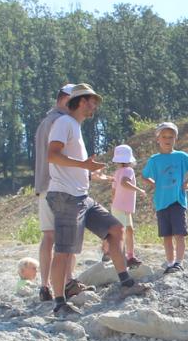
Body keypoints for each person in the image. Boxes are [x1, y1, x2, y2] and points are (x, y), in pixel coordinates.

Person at [45, 84, 149, 317]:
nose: (96, 105)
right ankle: (59, 303)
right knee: (63, 251)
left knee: (115, 229)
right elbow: (52, 155)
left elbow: (69, 164)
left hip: (81, 196)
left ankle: (125, 283)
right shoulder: (64, 123)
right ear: (82, 101)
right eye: (93, 100)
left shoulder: (74, 126)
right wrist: (84, 165)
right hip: (66, 197)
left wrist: (91, 173)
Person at [141, 121, 188, 273]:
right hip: (161, 202)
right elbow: (144, 176)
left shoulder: (181, 156)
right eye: (164, 136)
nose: (167, 139)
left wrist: (187, 182)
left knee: (179, 233)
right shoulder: (154, 160)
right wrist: (154, 184)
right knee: (166, 235)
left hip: (177, 200)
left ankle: (179, 262)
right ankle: (169, 263)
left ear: (175, 139)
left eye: (171, 137)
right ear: (158, 139)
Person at [32, 83, 73, 301]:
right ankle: (67, 282)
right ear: (66, 99)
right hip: (60, 185)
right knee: (67, 237)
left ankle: (44, 285)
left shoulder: (44, 122)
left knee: (48, 236)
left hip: (43, 184)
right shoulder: (62, 122)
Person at [106, 144, 144, 268]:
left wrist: (113, 203)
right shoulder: (129, 170)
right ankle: (120, 255)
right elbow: (124, 183)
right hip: (122, 207)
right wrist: (139, 190)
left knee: (128, 230)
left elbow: (114, 190)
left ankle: (128, 255)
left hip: (120, 206)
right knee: (123, 232)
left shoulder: (117, 172)